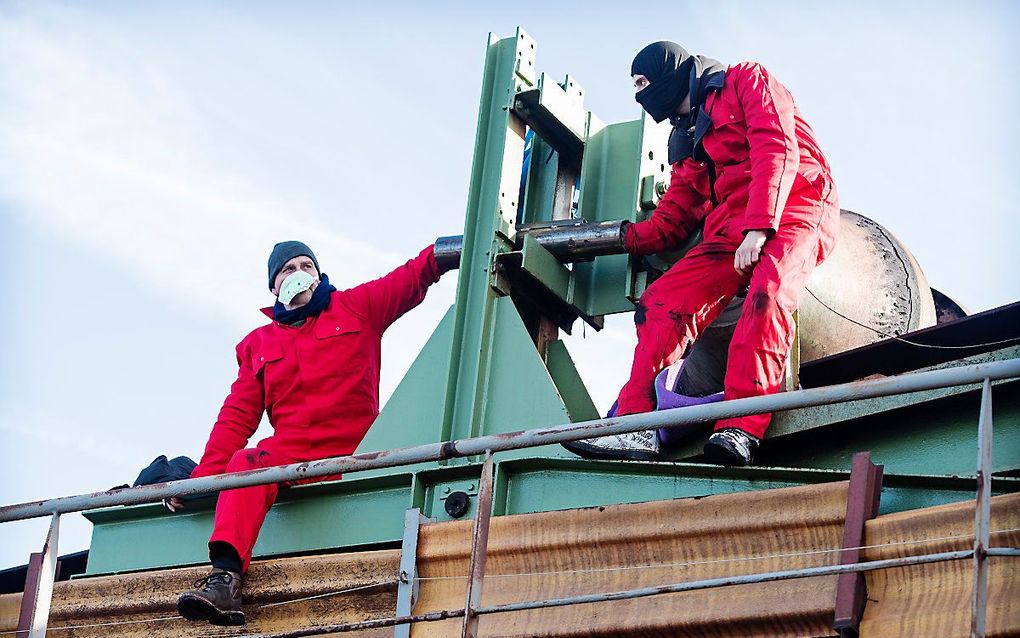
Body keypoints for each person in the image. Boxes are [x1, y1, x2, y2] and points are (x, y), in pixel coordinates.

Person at [567, 41, 838, 467]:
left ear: (671, 70)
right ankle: (635, 426)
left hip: (796, 203)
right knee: (661, 301)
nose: (641, 94)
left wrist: (759, 226)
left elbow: (777, 146)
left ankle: (742, 426)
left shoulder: (748, 80)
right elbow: (673, 219)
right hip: (731, 224)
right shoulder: (688, 140)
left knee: (768, 291)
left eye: (644, 82)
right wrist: (621, 238)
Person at [172, 240, 450, 625]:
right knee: (245, 461)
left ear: (319, 274)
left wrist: (443, 252)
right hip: (291, 458)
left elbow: (409, 278)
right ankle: (224, 582)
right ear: (274, 286)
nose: (299, 273)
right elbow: (236, 417)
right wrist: (200, 480)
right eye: (288, 269)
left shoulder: (358, 307)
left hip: (357, 453)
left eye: (307, 265)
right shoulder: (259, 345)